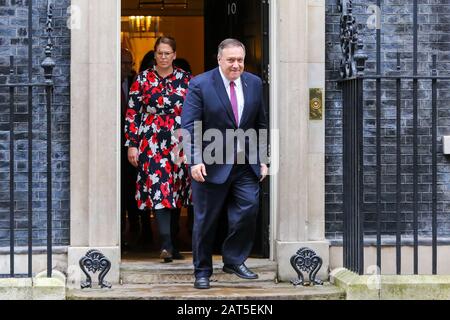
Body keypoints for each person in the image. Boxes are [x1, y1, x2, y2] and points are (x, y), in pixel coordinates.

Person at [181, 39, 268, 289]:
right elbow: (189, 125)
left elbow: (260, 123)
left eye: (240, 60)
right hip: (210, 163)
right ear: (219, 59)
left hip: (245, 162)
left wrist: (263, 158)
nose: (236, 65)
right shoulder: (200, 84)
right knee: (206, 220)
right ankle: (202, 271)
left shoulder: (253, 83)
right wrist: (194, 160)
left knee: (249, 209)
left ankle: (233, 259)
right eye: (231, 60)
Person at [124, 36, 191, 262]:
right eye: (160, 53)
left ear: (174, 54)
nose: (163, 57)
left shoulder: (186, 80)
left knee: (176, 191)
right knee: (159, 189)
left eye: (167, 53)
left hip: (179, 139)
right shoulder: (142, 79)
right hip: (151, 139)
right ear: (155, 54)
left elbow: (195, 111)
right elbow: (132, 113)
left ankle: (172, 243)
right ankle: (165, 243)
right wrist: (132, 144)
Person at [121, 48, 152, 250]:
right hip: (118, 145)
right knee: (123, 190)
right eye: (123, 63)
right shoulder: (110, 82)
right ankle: (123, 233)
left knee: (137, 188)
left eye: (129, 63)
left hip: (140, 144)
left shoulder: (134, 81)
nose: (126, 67)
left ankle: (140, 229)